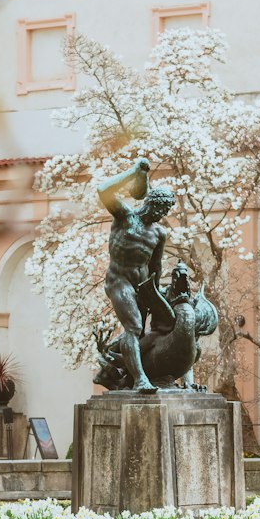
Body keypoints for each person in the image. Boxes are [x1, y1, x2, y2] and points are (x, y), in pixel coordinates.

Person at [97, 157, 174, 392]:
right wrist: (134, 172)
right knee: (133, 326)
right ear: (150, 202)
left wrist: (156, 293)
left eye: (166, 209)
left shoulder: (159, 233)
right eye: (160, 207)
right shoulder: (125, 217)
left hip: (142, 286)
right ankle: (141, 379)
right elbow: (103, 190)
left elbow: (156, 267)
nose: (162, 213)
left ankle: (114, 358)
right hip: (119, 281)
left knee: (144, 331)